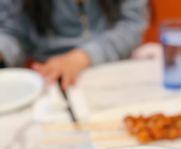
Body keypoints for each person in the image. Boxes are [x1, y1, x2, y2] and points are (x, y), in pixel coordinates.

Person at [0, 0, 148, 88]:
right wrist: (3, 50)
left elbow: (133, 25)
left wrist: (83, 57)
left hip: (116, 70)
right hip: (52, 78)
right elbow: (14, 33)